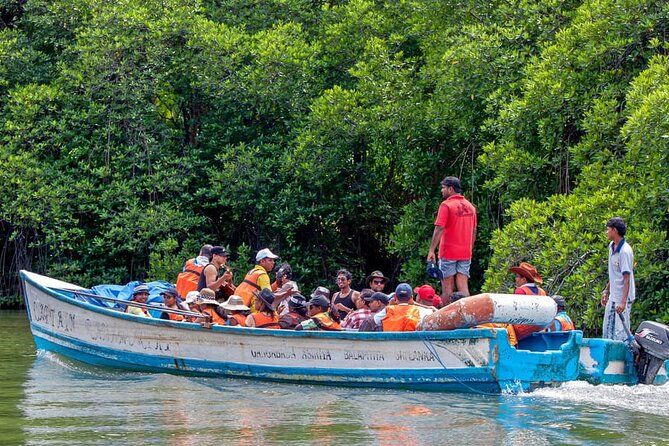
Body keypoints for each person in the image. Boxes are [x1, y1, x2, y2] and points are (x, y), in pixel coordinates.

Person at [427, 176, 477, 304]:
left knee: (447, 288)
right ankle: (467, 316)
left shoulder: (446, 205)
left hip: (448, 252)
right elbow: (474, 231)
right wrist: (469, 248)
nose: (442, 191)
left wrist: (431, 250)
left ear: (450, 189)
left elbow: (439, 228)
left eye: (443, 188)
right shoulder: (470, 207)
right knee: (463, 286)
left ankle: (447, 320)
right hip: (465, 252)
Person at [601, 217, 636, 341]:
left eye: (608, 229)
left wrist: (623, 302)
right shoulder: (612, 246)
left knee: (620, 334)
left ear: (614, 230)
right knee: (607, 331)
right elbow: (614, 273)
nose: (606, 232)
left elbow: (626, 278)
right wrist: (606, 291)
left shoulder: (625, 251)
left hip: (623, 298)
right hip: (613, 296)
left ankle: (622, 359)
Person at [509, 262, 547, 341]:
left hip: (522, 331)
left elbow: (516, 313)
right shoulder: (542, 292)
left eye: (517, 276)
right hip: (540, 328)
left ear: (524, 279)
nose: (516, 279)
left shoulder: (520, 290)